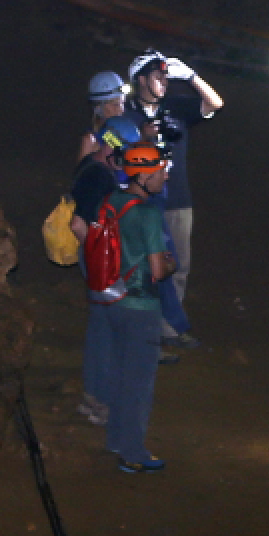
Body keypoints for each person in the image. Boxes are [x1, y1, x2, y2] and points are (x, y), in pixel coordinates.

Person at [126, 50, 224, 346]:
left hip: (178, 198)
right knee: (143, 266)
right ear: (141, 80)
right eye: (158, 76)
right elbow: (113, 152)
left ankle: (169, 328)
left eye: (166, 77)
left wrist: (192, 77)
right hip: (140, 201)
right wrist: (141, 136)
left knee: (178, 265)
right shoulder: (126, 112)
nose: (164, 82)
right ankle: (145, 329)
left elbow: (215, 103)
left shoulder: (176, 107)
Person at [94, 141, 176, 473]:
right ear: (143, 175)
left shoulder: (112, 200)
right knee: (138, 381)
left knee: (118, 373)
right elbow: (158, 270)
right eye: (160, 172)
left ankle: (116, 438)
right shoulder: (147, 213)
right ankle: (133, 452)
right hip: (141, 306)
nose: (164, 177)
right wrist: (170, 263)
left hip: (111, 300)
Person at [71, 107, 143, 425]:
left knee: (102, 330)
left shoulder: (92, 165)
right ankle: (99, 401)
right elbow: (78, 224)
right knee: (107, 333)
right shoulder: (98, 177)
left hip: (98, 262)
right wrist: (102, 258)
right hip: (101, 265)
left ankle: (95, 397)